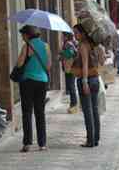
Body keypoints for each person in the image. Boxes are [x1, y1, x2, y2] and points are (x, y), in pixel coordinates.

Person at [17, 25, 51, 153]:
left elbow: (20, 64)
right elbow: (48, 65)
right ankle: (42, 143)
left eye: (22, 35)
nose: (22, 37)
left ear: (27, 35)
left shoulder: (27, 46)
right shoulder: (46, 46)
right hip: (42, 81)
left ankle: (27, 143)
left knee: (27, 112)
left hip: (27, 82)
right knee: (40, 112)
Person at [72, 24, 105, 148]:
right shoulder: (96, 46)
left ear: (83, 33)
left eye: (76, 33)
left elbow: (85, 64)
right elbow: (102, 62)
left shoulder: (83, 45)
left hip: (86, 80)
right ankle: (96, 138)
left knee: (88, 111)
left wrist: (84, 81)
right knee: (95, 109)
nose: (75, 35)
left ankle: (90, 140)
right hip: (96, 79)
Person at [59, 32, 78, 114]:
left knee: (71, 86)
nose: (61, 37)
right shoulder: (71, 43)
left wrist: (61, 54)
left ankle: (74, 105)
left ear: (66, 36)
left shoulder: (68, 43)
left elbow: (71, 53)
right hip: (70, 67)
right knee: (71, 86)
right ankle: (73, 105)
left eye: (62, 36)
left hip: (70, 68)